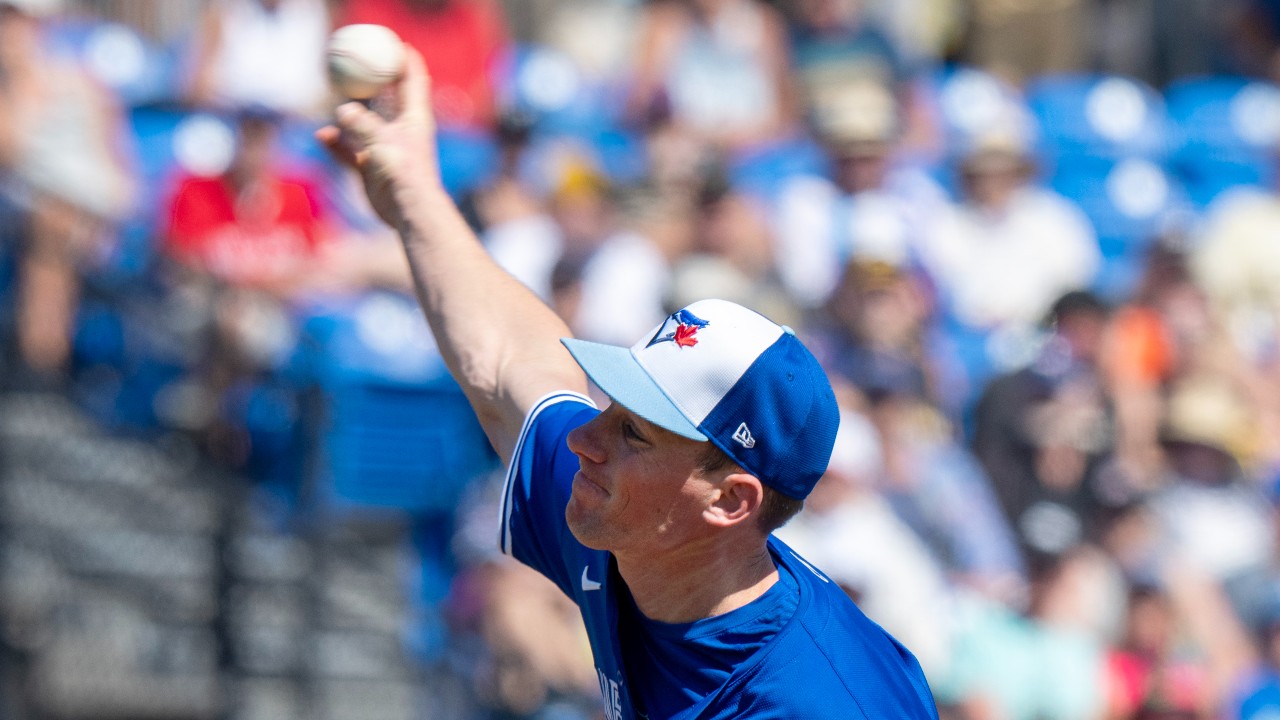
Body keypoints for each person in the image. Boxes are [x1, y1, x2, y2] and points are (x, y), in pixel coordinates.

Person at [318, 48, 939, 718]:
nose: (585, 437)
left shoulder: (810, 701)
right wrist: (413, 196)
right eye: (611, 405)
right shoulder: (635, 531)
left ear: (729, 499)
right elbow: (507, 361)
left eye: (633, 432)